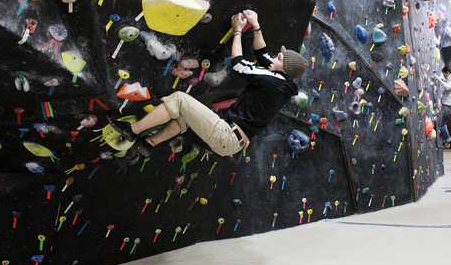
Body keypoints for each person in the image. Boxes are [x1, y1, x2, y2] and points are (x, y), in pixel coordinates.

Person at [107, 10, 308, 158]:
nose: (274, 57)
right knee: (184, 119)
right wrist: (256, 25)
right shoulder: (282, 84)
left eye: (279, 58)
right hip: (232, 140)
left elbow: (238, 63)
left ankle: (131, 130)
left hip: (227, 135)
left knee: (179, 100)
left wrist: (237, 31)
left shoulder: (272, 81)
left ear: (285, 68)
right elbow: (263, 55)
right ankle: (149, 143)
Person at [433, 65, 451, 149]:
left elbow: (448, 87)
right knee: (442, 122)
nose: (444, 76)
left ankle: (447, 140)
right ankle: (446, 140)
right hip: (448, 104)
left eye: (444, 74)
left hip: (448, 104)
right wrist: (442, 79)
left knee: (441, 123)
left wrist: (439, 80)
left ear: (447, 72)